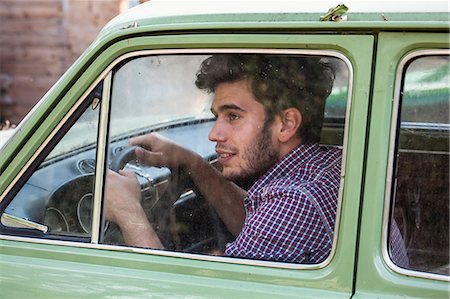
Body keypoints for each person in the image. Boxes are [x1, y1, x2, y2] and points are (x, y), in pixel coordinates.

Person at [104, 54, 408, 265]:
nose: (214, 134)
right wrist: (193, 164)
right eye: (217, 117)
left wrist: (128, 212)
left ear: (286, 124)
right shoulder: (328, 164)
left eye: (233, 116)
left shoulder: (294, 202)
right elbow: (259, 223)